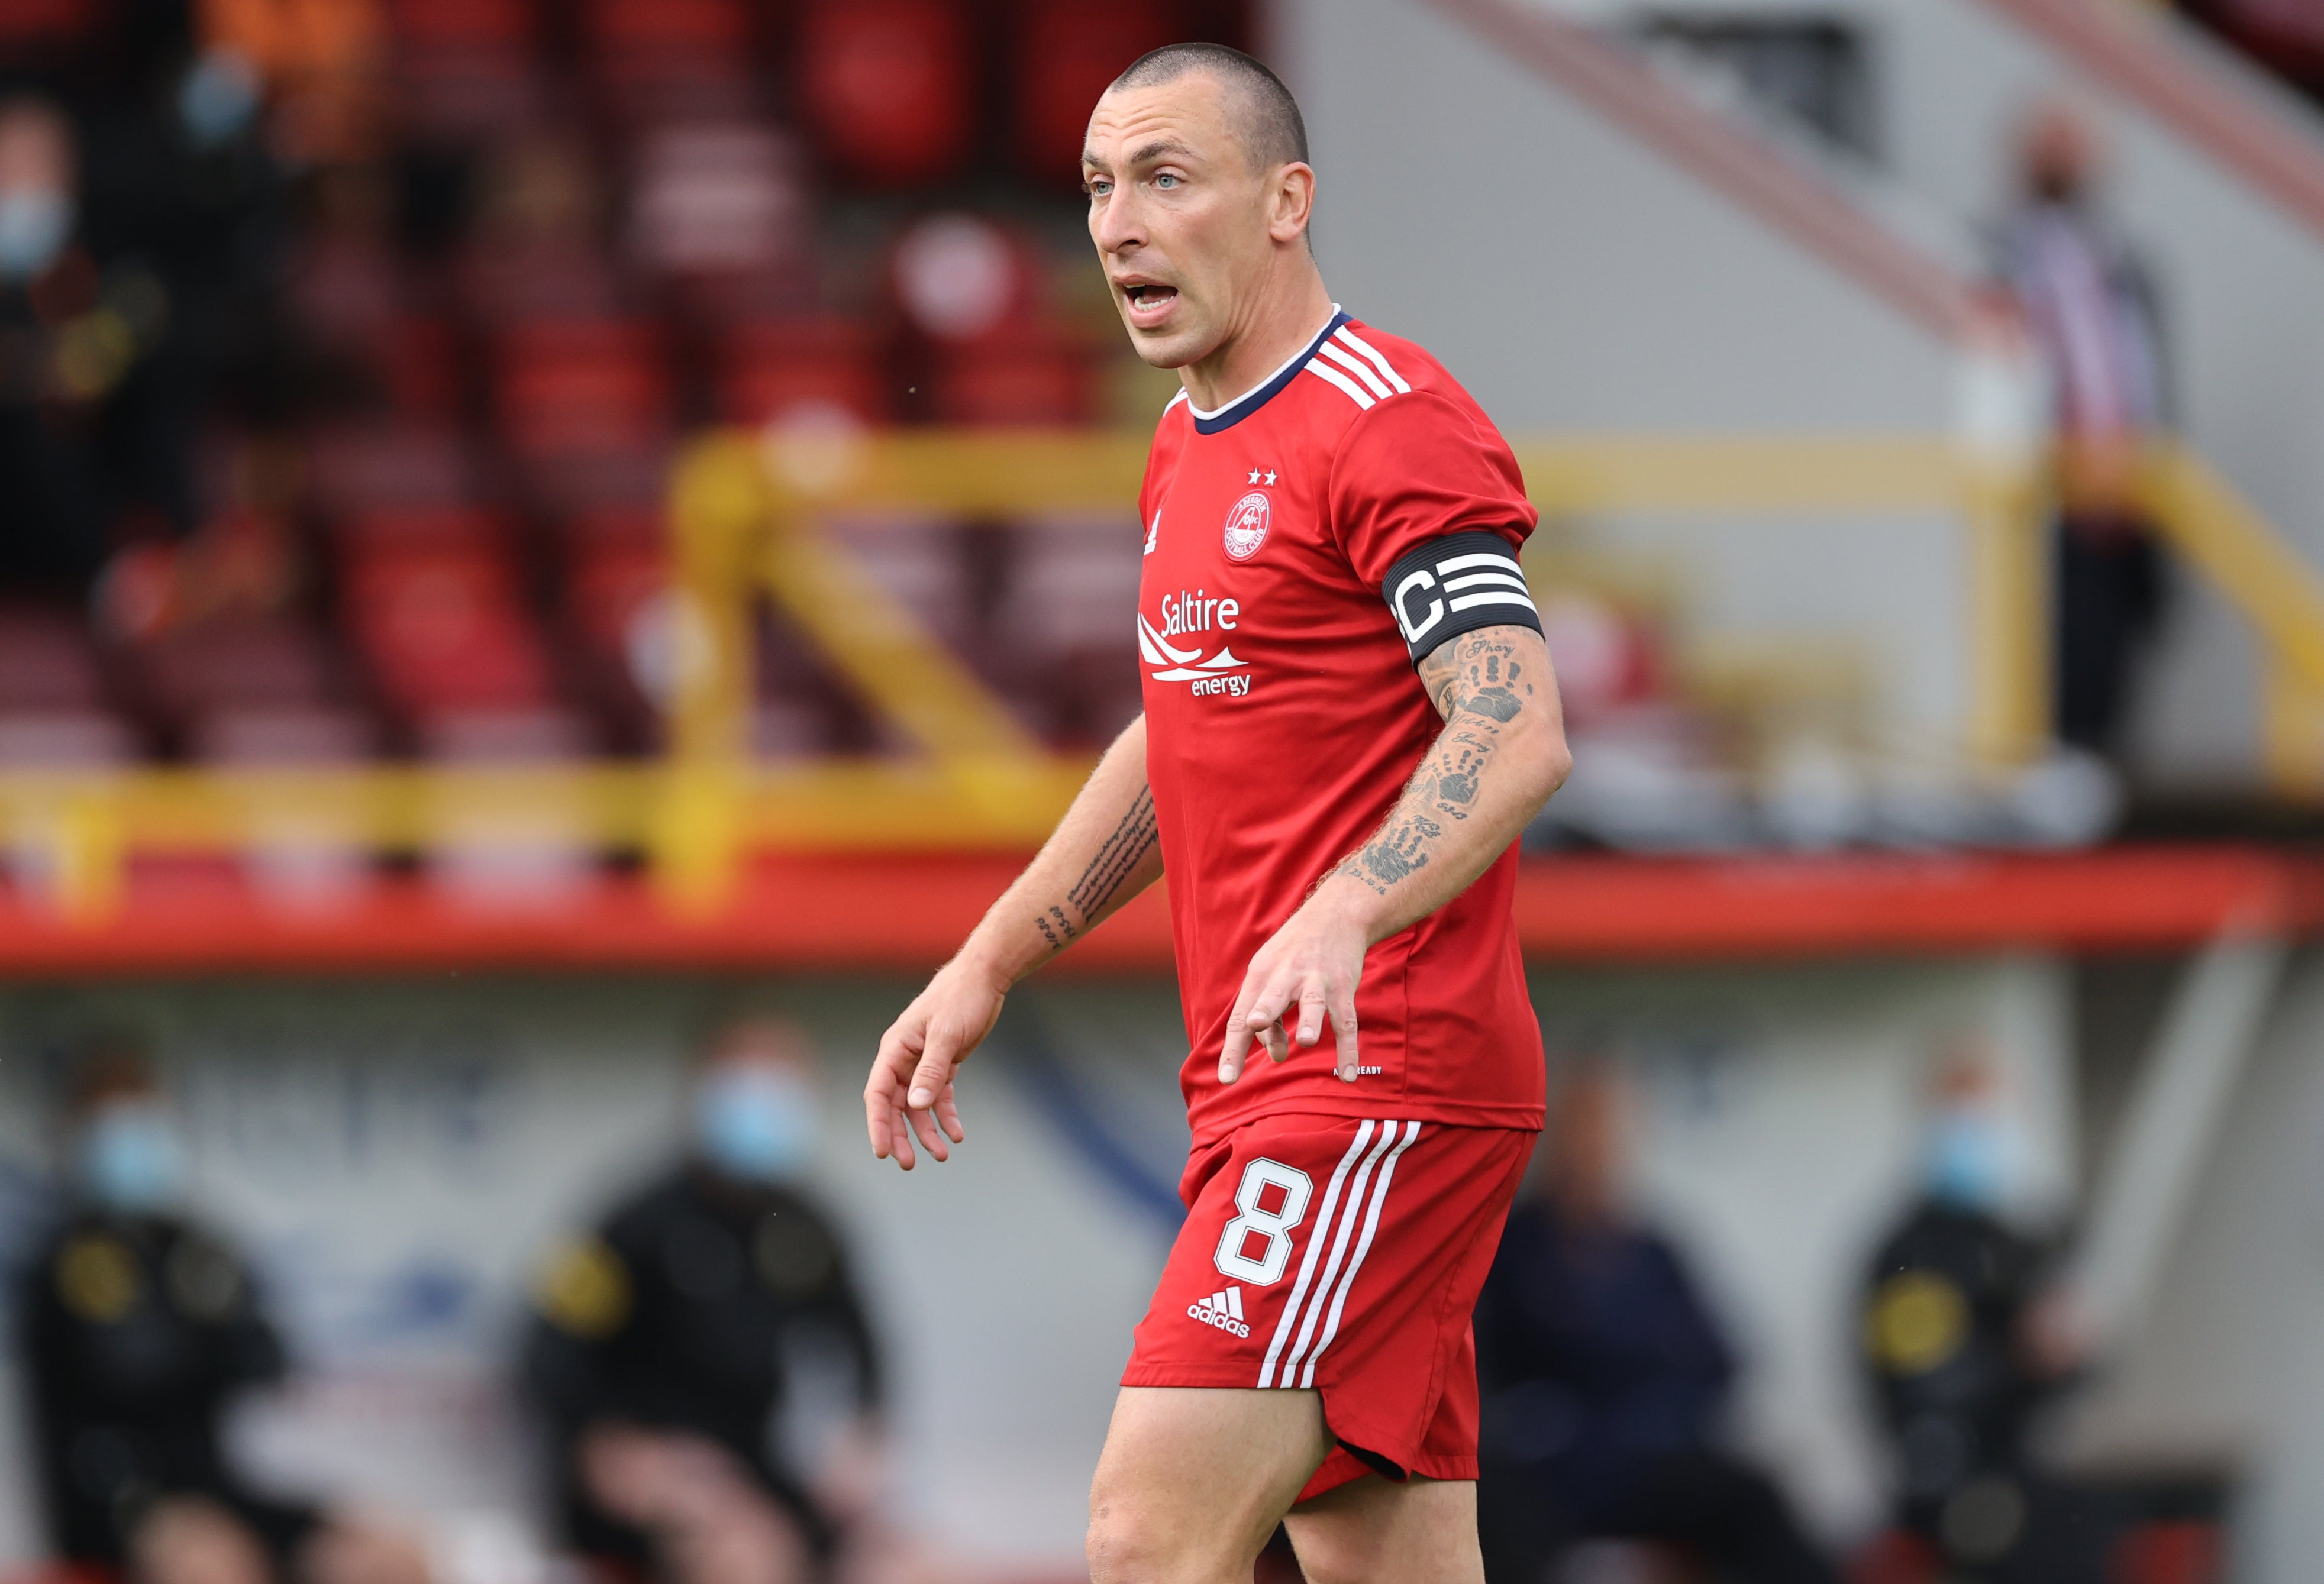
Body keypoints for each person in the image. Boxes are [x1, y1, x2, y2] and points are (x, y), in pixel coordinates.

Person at [860, 43, 1572, 1584]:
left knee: (1143, 1530)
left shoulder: (1389, 419)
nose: (1119, 223)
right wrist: (990, 956)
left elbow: (1515, 724)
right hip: (1277, 1075)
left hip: (1373, 1067)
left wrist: (1344, 901)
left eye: (1168, 178)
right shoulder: (1188, 441)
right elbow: (1181, 719)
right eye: (1100, 186)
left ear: (1284, 202)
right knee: (1382, 1557)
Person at [17, 1039, 430, 1584]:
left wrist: (203, 1339)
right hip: (118, 1501)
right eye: (117, 1126)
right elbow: (133, 1368)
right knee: (215, 1566)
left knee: (386, 1555)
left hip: (214, 1488)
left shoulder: (190, 1243)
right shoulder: (74, 1257)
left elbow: (266, 1355)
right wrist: (205, 1339)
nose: (137, 1144)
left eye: (146, 1121)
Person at [522, 1018, 885, 1584]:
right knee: (747, 1557)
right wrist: (612, 1447)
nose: (768, 1104)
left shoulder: (802, 1225)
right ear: (703, 1089)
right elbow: (546, 1351)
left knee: (909, 1563)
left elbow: (863, 1343)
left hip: (753, 1468)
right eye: (750, 1083)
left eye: (784, 1083)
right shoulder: (639, 1219)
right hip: (656, 1478)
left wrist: (858, 1440)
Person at [1474, 1065, 1838, 1584]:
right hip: (1548, 1471)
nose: (1595, 1143)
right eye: (1582, 1125)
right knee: (1487, 1520)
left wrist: (1661, 1419)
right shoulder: (1510, 1248)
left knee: (1756, 1501)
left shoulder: (1656, 1252)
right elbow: (1480, 1372)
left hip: (1651, 1461)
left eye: (1609, 1126)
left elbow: (1721, 1360)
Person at [1858, 1046, 2086, 1580]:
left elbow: (2075, 1365)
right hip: (1947, 1480)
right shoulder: (1908, 1254)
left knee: (2097, 1519)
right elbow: (1925, 1385)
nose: (1982, 1133)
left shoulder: (2011, 1240)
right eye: (1965, 1116)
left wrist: (2069, 1353)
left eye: (1991, 1115)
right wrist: (2024, 1361)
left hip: (2018, 1468)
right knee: (2051, 1542)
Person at [1992, 99, 2173, 761]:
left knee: (2110, 673)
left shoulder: (2122, 262)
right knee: (2044, 671)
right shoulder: (1995, 254)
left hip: (2120, 500)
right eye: (2052, 148)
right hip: (2044, 501)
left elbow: (2145, 374)